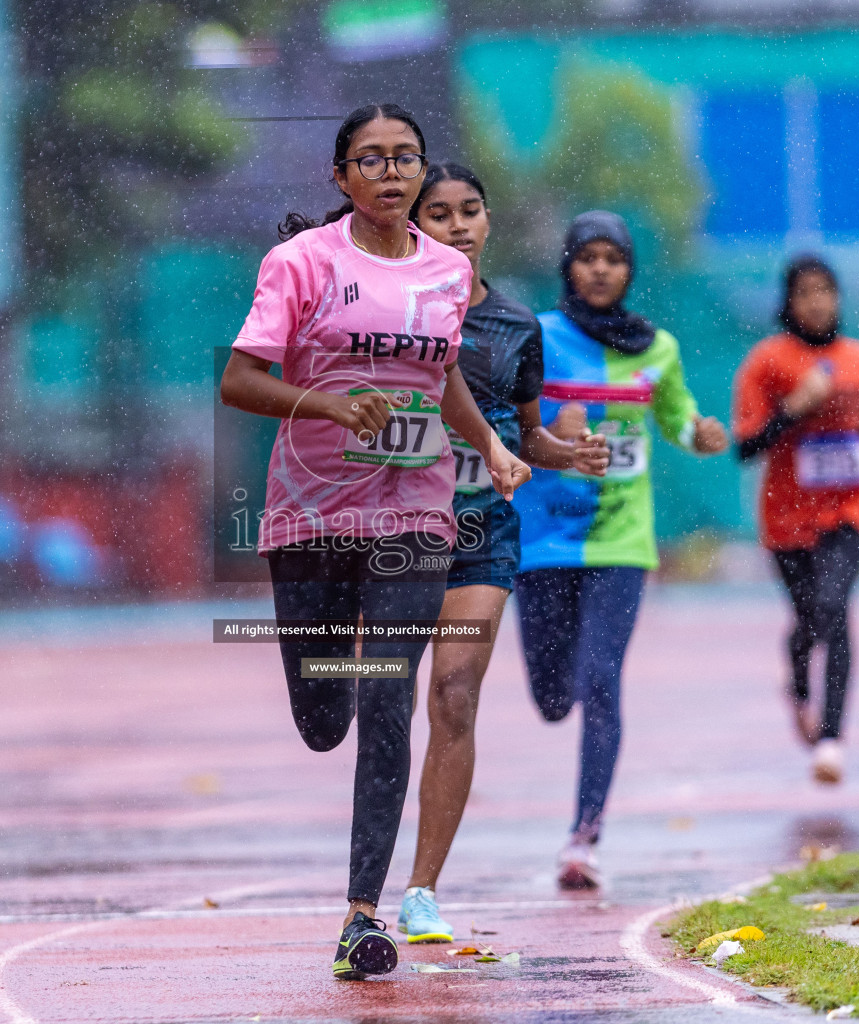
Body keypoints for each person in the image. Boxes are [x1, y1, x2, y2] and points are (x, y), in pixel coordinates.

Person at [218, 104, 530, 981]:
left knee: (390, 692)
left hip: (414, 514)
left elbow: (446, 380)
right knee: (326, 720)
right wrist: (329, 404)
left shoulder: (445, 275)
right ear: (340, 176)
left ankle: (361, 915)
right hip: (311, 518)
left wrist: (493, 448)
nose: (392, 174)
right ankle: (334, 699)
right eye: (372, 160)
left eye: (407, 160)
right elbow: (242, 381)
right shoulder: (301, 264)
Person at [396, 165, 609, 941]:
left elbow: (524, 436)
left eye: (470, 212)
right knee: (377, 698)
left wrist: (566, 452)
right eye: (440, 214)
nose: (457, 225)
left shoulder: (519, 328)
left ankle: (421, 889)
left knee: (453, 694)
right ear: (415, 226)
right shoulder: (390, 314)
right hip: (390, 531)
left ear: (488, 224)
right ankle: (367, 869)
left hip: (482, 532)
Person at [513, 211, 729, 889]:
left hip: (623, 542)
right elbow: (501, 422)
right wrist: (555, 427)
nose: (602, 269)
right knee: (553, 698)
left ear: (629, 270)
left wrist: (702, 437)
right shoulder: (537, 338)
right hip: (543, 539)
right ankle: (567, 702)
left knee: (601, 682)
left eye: (615, 258)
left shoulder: (656, 348)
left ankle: (585, 837)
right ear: (568, 267)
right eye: (588, 257)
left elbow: (676, 421)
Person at [732, 255, 859, 786]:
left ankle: (831, 739)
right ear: (788, 301)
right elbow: (745, 447)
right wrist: (793, 409)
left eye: (826, 291)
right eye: (805, 292)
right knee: (810, 619)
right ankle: (799, 680)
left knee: (835, 608)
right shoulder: (766, 361)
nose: (817, 302)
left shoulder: (858, 357)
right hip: (786, 517)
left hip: (849, 508)